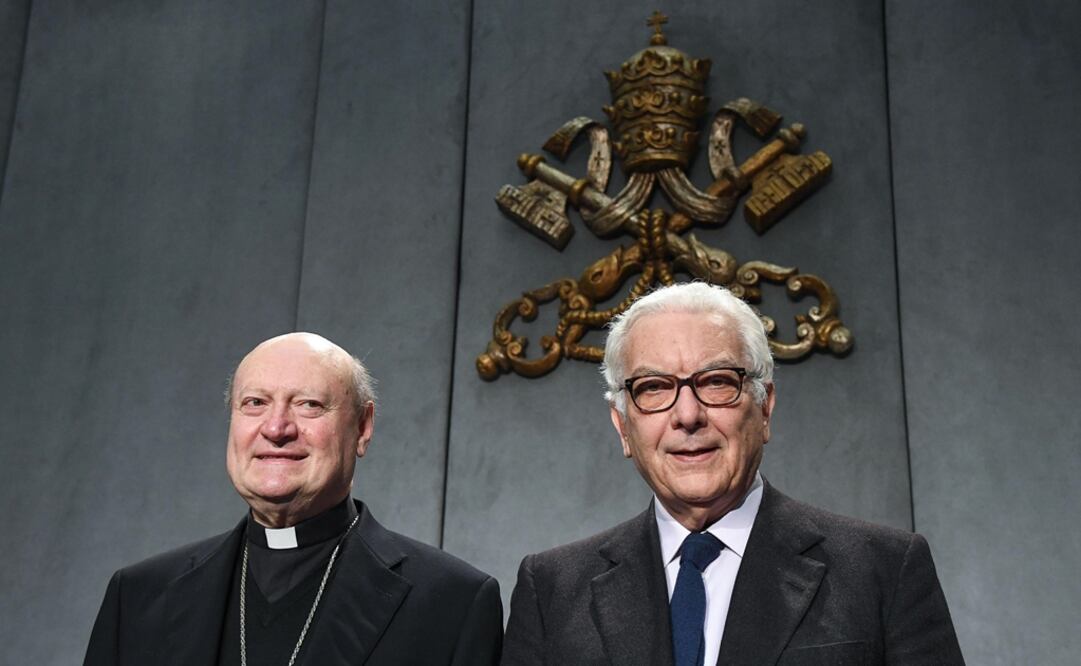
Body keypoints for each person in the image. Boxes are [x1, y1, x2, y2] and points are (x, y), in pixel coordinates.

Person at [502, 282, 964, 665]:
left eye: (716, 381)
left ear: (765, 408)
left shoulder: (884, 570)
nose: (687, 415)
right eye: (654, 387)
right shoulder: (552, 590)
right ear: (623, 428)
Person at [84, 332, 502, 665]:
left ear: (363, 427)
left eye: (309, 404)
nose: (277, 427)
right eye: (255, 403)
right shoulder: (139, 597)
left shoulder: (452, 604)